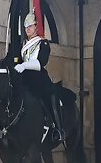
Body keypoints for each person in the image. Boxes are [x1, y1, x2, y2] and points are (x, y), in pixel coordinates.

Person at [14, 11, 65, 142]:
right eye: (26, 27)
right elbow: (17, 60)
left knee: (51, 94)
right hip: (24, 77)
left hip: (38, 77)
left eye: (30, 26)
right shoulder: (23, 45)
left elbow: (41, 62)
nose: (28, 29)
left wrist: (24, 65)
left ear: (37, 27)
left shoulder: (43, 43)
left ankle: (57, 129)